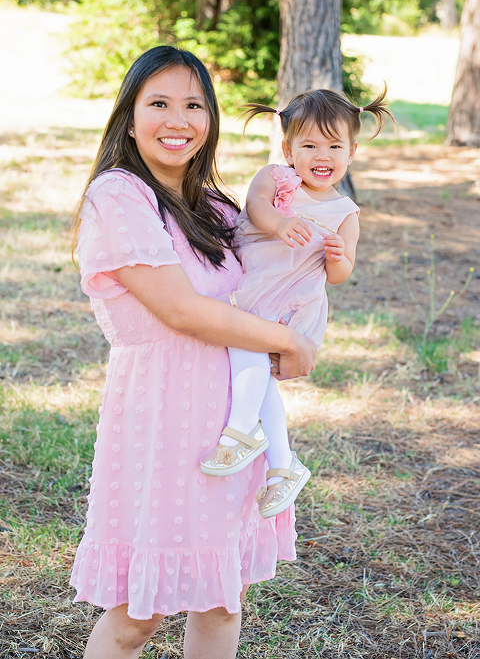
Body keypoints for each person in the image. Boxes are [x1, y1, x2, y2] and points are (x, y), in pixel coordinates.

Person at [69, 45, 316, 659]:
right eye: (159, 103)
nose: (177, 119)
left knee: (220, 598)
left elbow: (276, 267)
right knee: (137, 616)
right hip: (161, 418)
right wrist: (289, 342)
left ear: (209, 120)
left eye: (194, 105)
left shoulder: (210, 205)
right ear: (130, 117)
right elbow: (181, 310)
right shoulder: (119, 195)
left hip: (229, 421)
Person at [201, 87, 394, 520]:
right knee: (258, 371)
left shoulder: (345, 211)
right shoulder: (274, 178)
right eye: (308, 144)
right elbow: (254, 207)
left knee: (251, 354)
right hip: (257, 291)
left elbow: (341, 275)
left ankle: (239, 434)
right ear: (288, 149)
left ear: (352, 152)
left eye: (333, 145)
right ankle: (282, 466)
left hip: (296, 302)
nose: (321, 154)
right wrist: (281, 222)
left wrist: (338, 259)